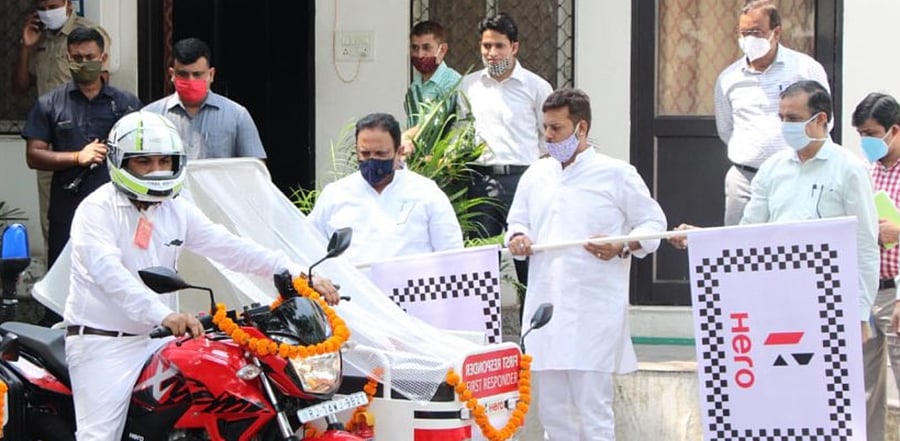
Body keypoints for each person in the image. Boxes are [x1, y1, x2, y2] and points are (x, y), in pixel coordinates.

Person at [64, 111, 340, 441]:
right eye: (144, 162)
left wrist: (294, 272)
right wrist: (164, 314)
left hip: (161, 340)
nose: (157, 170)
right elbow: (111, 277)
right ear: (119, 161)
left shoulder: (173, 209)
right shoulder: (96, 211)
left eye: (164, 161)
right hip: (105, 343)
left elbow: (230, 247)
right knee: (100, 436)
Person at [672, 80, 881, 440]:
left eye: (794, 118)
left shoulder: (849, 169)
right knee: (784, 401)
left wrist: (859, 313)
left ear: (822, 120)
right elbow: (749, 233)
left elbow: (864, 244)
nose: (786, 125)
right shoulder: (772, 169)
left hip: (829, 306)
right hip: (778, 306)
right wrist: (701, 239)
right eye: (782, 116)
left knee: (833, 406)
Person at [506, 88, 667, 441]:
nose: (548, 136)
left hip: (593, 310)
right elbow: (517, 223)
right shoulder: (535, 174)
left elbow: (654, 226)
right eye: (545, 128)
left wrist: (621, 246)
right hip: (546, 309)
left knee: (593, 411)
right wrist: (518, 237)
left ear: (581, 128)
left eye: (556, 128)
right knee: (553, 414)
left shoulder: (616, 174)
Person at [22, 27, 141, 270]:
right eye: (77, 58)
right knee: (64, 273)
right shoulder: (50, 103)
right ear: (67, 59)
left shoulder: (126, 103)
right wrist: (77, 157)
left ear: (103, 59)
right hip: (68, 206)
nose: (83, 63)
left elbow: (144, 153)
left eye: (89, 58)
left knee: (118, 272)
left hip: (118, 206)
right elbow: (34, 155)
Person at [714, 0, 829, 226]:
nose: (748, 39)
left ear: (776, 32)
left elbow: (824, 123)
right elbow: (726, 128)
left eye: (756, 32)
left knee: (791, 245)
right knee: (739, 249)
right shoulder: (728, 78)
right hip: (745, 179)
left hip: (797, 174)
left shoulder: (805, 69)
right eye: (743, 33)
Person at [12, 0, 112, 251]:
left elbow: (100, 84)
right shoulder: (39, 38)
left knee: (97, 218)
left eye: (53, 5)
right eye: (42, 7)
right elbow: (21, 86)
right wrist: (26, 46)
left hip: (86, 139)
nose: (47, 12)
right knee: (54, 221)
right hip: (50, 144)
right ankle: (56, 281)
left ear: (68, 3)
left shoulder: (88, 34)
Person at [308, 112, 463, 264]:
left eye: (380, 153)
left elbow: (453, 255)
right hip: (348, 289)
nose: (372, 159)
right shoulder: (335, 194)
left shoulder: (426, 193)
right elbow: (307, 246)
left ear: (399, 152)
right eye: (365, 153)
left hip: (410, 288)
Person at [852, 92, 900, 440]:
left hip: (897, 295)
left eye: (871, 133)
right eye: (861, 135)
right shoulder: (864, 172)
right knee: (864, 391)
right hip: (868, 290)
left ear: (894, 131)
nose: (866, 142)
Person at [143, 38, 266, 161]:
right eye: (183, 74)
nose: (190, 81)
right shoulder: (150, 116)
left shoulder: (237, 116)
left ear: (211, 75)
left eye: (197, 74)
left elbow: (255, 169)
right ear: (172, 75)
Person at [399, 20, 462, 158]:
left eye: (426, 48)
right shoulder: (414, 88)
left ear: (442, 50)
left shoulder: (452, 83)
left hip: (446, 164)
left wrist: (405, 138)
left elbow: (433, 124)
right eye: (415, 48)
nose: (420, 55)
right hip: (418, 163)